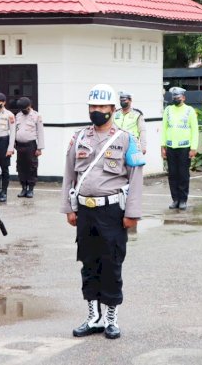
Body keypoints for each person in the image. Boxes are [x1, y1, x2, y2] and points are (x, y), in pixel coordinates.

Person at [61, 84, 144, 340]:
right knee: (88, 264)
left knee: (111, 264)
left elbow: (136, 177)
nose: (97, 111)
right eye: (93, 107)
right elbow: (69, 174)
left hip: (112, 213)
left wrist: (132, 213)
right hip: (85, 211)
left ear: (112, 109)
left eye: (102, 107)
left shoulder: (127, 139)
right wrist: (69, 207)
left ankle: (110, 318)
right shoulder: (79, 138)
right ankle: (93, 316)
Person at [162, 87, 198, 210]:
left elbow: (195, 130)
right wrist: (163, 146)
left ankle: (183, 199)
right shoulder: (168, 110)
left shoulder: (189, 110)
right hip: (171, 146)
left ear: (183, 97)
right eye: (174, 97)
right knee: (172, 174)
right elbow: (164, 128)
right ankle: (175, 199)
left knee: (183, 174)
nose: (176, 99)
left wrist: (193, 148)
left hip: (184, 147)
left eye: (178, 97)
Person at [14, 97, 44, 198]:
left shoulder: (36, 116)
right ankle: (23, 188)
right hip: (19, 145)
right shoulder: (18, 115)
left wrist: (39, 148)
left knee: (31, 167)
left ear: (29, 106)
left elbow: (40, 132)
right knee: (21, 167)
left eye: (24, 108)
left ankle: (30, 189)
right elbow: (15, 130)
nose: (23, 110)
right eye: (21, 109)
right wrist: (13, 143)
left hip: (31, 145)